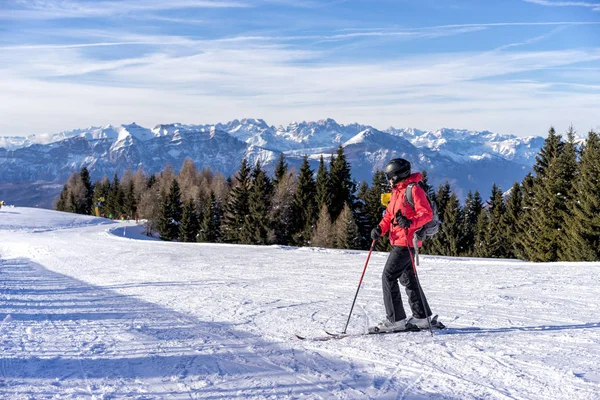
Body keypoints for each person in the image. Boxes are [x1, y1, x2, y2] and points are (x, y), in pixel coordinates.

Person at [369, 158, 435, 333]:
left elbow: (426, 214)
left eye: (390, 177)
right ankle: (422, 317)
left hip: (406, 242)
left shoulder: (414, 190)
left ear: (398, 175)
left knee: (388, 276)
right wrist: (379, 229)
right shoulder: (396, 192)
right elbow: (389, 216)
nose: (388, 180)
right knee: (408, 279)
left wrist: (410, 221)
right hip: (399, 240)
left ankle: (395, 320)